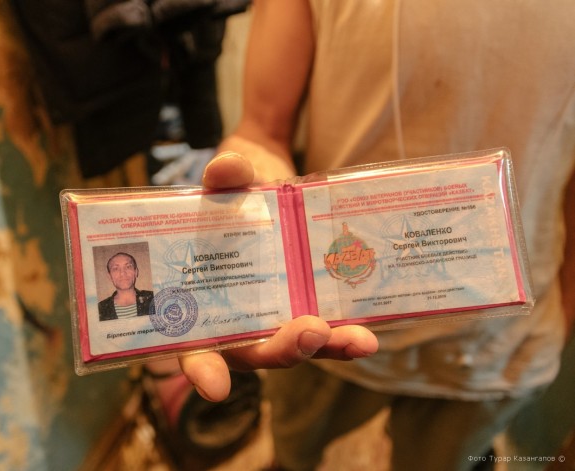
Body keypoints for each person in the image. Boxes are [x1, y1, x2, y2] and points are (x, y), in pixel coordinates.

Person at [177, 1, 575, 470]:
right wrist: (253, 219)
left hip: (500, 346)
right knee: (293, 455)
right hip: (322, 320)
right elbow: (261, 130)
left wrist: (564, 315)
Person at [99, 252, 155, 320]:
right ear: (109, 276)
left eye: (128, 267)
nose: (122, 273)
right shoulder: (100, 309)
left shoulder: (154, 298)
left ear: (136, 272)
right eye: (116, 268)